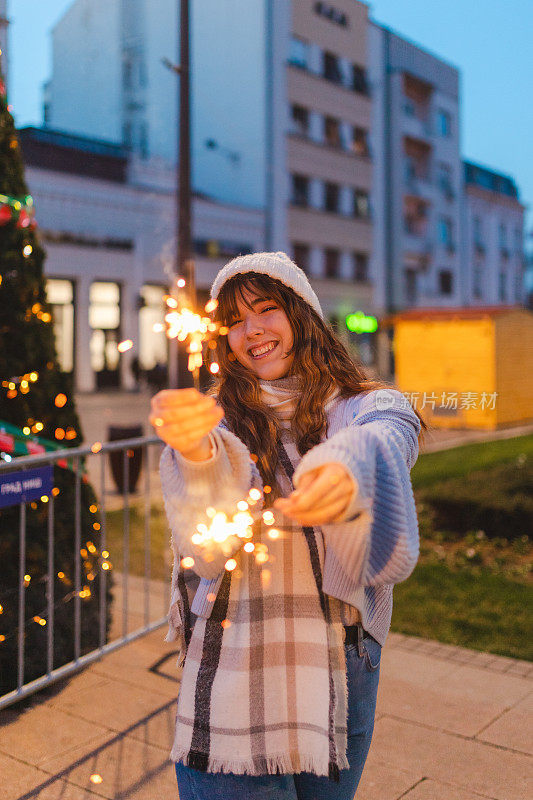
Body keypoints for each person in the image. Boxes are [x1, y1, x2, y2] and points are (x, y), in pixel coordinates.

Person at [150, 251, 424, 800]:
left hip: (340, 658)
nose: (250, 332)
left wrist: (348, 468)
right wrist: (197, 458)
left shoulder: (359, 407)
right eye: (233, 321)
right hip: (229, 658)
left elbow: (390, 430)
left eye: (266, 310)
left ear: (301, 316)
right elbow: (208, 554)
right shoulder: (215, 421)